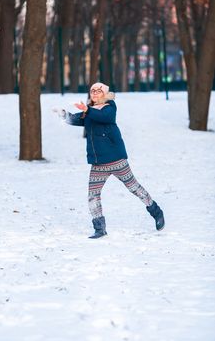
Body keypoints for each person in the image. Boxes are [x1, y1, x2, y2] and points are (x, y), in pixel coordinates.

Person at [59, 82, 165, 239]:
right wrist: (62, 114)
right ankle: (100, 228)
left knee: (134, 188)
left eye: (98, 91)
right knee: (93, 195)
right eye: (92, 91)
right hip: (98, 164)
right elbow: (74, 119)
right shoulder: (89, 112)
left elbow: (104, 117)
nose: (94, 93)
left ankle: (156, 212)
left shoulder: (109, 107)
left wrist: (87, 110)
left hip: (116, 160)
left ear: (104, 94)